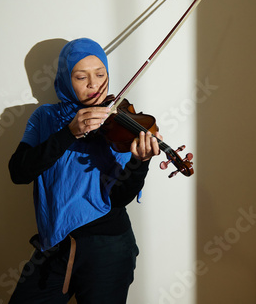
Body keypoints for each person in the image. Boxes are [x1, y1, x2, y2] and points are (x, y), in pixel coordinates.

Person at [8, 38, 161, 303]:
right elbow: (19, 172)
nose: (94, 84)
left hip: (109, 248)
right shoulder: (44, 118)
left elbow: (118, 199)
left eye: (101, 74)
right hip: (55, 245)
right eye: (81, 77)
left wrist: (140, 163)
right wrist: (69, 133)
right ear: (66, 79)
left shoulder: (119, 122)